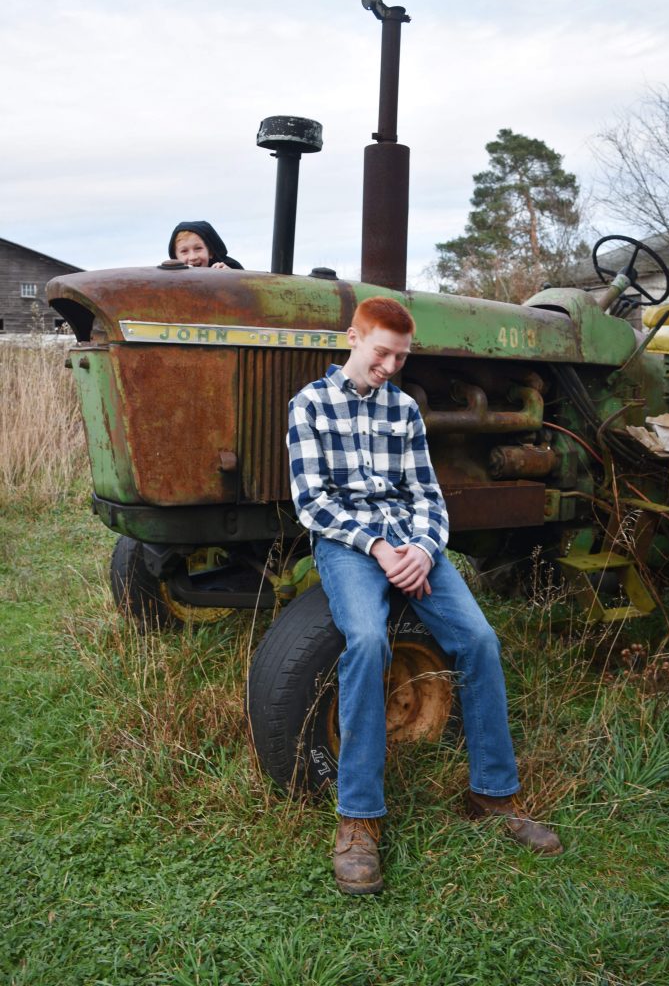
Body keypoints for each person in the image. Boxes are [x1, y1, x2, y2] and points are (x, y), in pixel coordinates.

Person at [286, 295, 563, 896]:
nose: (390, 367)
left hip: (413, 547)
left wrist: (421, 548)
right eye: (382, 353)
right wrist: (379, 548)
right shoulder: (310, 405)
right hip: (348, 545)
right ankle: (359, 819)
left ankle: (494, 794)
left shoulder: (405, 408)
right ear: (354, 338)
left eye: (401, 358)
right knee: (366, 641)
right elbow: (311, 502)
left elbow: (427, 496)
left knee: (479, 640)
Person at [168, 221, 243, 270]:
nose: (193, 257)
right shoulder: (169, 279)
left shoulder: (229, 270)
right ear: (176, 257)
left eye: (198, 248)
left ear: (210, 252)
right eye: (184, 251)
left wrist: (230, 275)